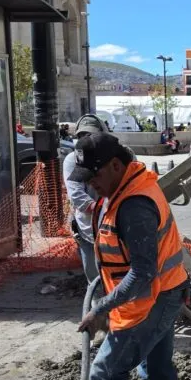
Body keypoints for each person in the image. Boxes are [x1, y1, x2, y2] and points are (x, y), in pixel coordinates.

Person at [72, 133, 189, 380]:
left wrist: (100, 310)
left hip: (152, 297)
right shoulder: (124, 187)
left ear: (115, 165)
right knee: (155, 362)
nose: (92, 185)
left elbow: (141, 276)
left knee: (105, 373)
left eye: (94, 176)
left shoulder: (134, 205)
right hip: (166, 289)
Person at [62, 114, 107, 285]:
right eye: (82, 136)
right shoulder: (73, 160)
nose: (86, 140)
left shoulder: (115, 158)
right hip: (88, 230)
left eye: (90, 135)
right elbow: (78, 198)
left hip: (115, 232)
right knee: (95, 281)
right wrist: (107, 212)